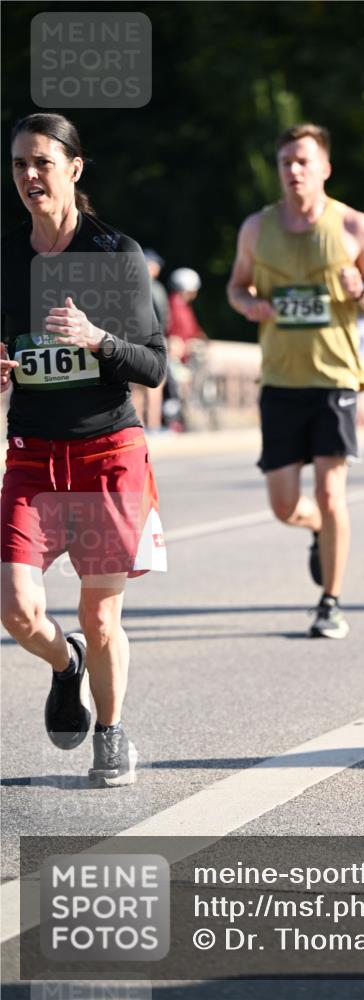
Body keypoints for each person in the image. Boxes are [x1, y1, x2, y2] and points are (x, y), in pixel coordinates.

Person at [1, 113, 167, 787]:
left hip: (106, 453)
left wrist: (98, 339)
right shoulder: (7, 256)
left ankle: (111, 732)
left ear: (73, 168)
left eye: (42, 162)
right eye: (19, 164)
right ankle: (64, 665)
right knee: (17, 609)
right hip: (32, 457)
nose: (29, 176)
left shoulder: (114, 253)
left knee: (99, 617)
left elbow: (154, 366)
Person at [227, 122, 364, 638]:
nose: (294, 170)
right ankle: (320, 532)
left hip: (335, 379)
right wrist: (248, 304)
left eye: (303, 161)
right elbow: (236, 287)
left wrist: (362, 291)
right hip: (280, 380)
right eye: (286, 162)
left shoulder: (353, 227)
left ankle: (330, 602)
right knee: (284, 506)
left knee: (331, 492)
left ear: (325, 167)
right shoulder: (257, 228)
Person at [130, 248, 170, 432]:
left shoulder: (129, 285)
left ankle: (139, 424)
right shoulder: (156, 288)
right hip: (152, 339)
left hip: (132, 338)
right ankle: (154, 425)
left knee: (136, 386)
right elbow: (163, 317)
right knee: (155, 386)